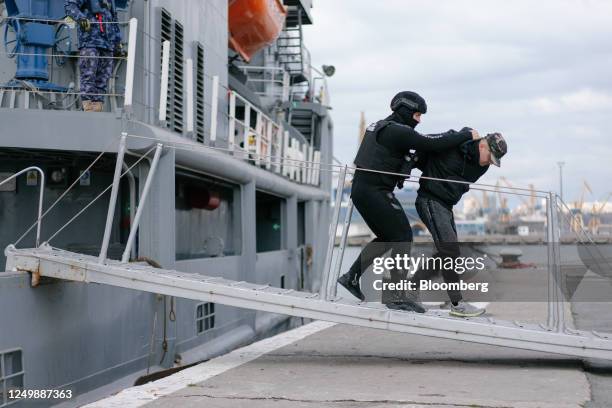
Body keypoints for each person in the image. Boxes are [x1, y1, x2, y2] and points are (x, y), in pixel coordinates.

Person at [337, 91, 480, 312]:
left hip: (363, 190)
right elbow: (432, 144)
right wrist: (465, 135)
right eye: (417, 115)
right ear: (405, 110)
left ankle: (351, 277)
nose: (419, 120)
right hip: (375, 191)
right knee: (403, 235)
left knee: (387, 237)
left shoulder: (382, 126)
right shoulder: (396, 131)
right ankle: (395, 296)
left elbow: (396, 154)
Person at [409, 132, 507, 317]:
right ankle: (456, 303)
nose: (489, 163)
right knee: (450, 251)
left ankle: (411, 289)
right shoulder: (457, 144)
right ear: (482, 145)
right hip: (429, 200)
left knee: (445, 252)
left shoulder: (482, 167)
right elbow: (429, 142)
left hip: (446, 205)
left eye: (494, 161)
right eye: (490, 158)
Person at [65, 0, 124, 112]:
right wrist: (81, 18)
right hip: (90, 42)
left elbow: (114, 19)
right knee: (88, 75)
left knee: (103, 78)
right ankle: (88, 108)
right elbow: (70, 6)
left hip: (108, 45)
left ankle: (97, 108)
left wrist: (117, 41)